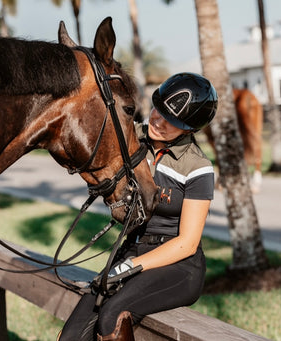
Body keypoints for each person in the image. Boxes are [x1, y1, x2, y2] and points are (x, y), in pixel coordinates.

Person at [59, 72, 218, 341]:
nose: (158, 120)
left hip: (178, 265)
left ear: (190, 129)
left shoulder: (197, 167)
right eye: (158, 110)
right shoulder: (131, 139)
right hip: (131, 250)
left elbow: (187, 243)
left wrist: (130, 267)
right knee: (71, 336)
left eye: (172, 120)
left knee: (111, 315)